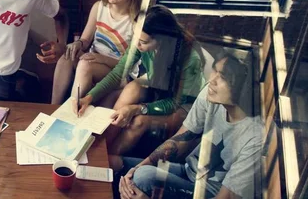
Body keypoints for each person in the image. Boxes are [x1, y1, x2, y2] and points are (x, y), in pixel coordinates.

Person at [112, 52, 261, 199]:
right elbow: (181, 140)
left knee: (143, 178)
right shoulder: (211, 94)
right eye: (215, 71)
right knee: (115, 164)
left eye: (222, 77)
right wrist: (138, 167)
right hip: (188, 171)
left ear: (243, 88)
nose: (212, 80)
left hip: (209, 192)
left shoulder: (256, 137)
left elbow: (225, 197)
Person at [77, 5, 205, 155]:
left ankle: (109, 158)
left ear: (162, 40)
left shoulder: (189, 58)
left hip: (185, 103)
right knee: (131, 89)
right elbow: (118, 74)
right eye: (136, 36)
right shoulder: (141, 39)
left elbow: (175, 102)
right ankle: (99, 150)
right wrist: (89, 97)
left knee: (139, 121)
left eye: (143, 42)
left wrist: (138, 109)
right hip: (159, 86)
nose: (136, 45)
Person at [50, 0, 144, 104]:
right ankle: (53, 107)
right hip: (93, 60)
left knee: (85, 65)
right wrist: (78, 43)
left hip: (119, 72)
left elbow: (128, 66)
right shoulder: (99, 7)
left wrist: (100, 58)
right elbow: (85, 40)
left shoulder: (137, 21)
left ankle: (70, 110)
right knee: (67, 54)